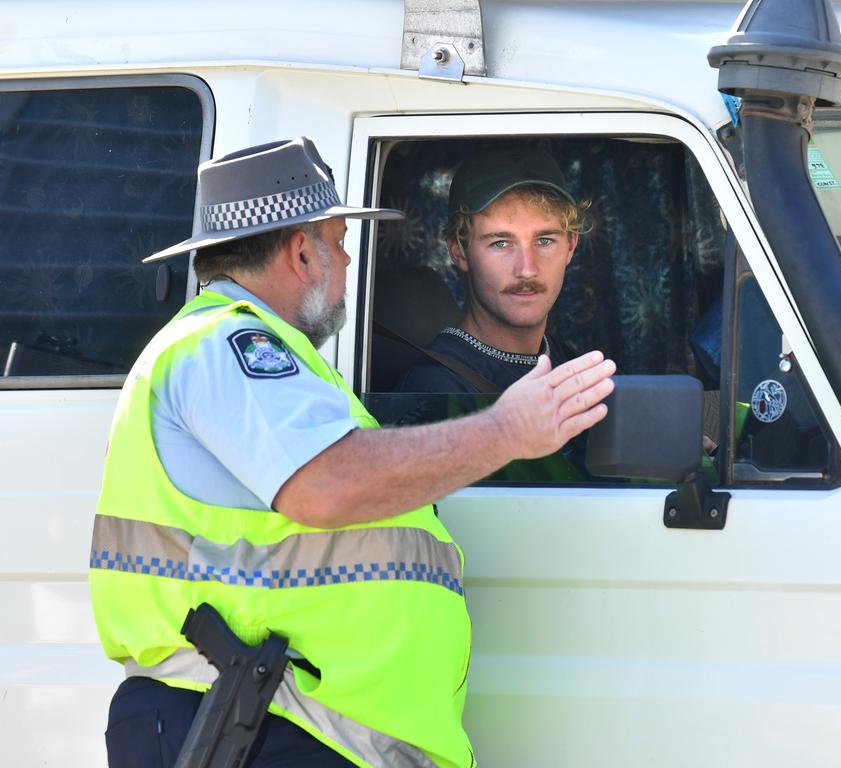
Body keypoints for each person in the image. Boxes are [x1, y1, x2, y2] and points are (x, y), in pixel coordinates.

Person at [88, 137, 615, 768]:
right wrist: (505, 430)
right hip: (250, 722)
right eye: (338, 242)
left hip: (281, 725)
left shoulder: (269, 358)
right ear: (300, 249)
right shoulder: (225, 343)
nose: (346, 262)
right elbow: (327, 487)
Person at [396, 145, 589, 394]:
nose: (527, 270)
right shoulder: (435, 388)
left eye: (544, 241)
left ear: (571, 246)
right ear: (459, 252)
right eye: (501, 243)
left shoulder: (576, 368)